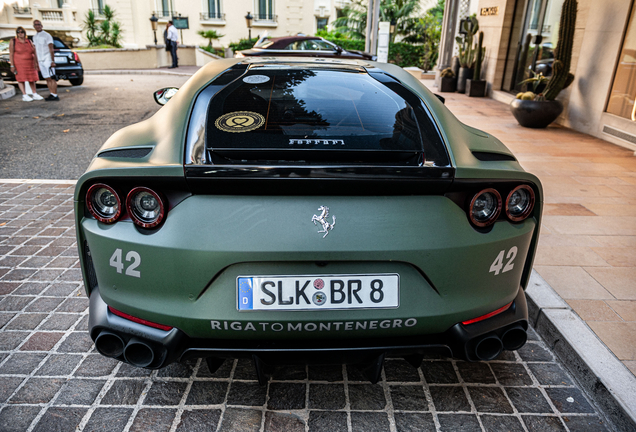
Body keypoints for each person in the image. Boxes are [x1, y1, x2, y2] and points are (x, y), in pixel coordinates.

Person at [8, 26, 43, 102]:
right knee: (21, 79)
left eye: (22, 32)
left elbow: (34, 52)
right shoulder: (13, 41)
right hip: (19, 63)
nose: (20, 33)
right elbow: (11, 54)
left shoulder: (29, 41)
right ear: (17, 33)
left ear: (24, 33)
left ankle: (34, 93)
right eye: (18, 32)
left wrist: (36, 63)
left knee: (32, 79)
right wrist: (12, 65)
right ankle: (24, 95)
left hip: (30, 63)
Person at [32, 20, 59, 101]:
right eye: (36, 25)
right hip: (40, 60)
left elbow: (51, 48)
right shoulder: (35, 37)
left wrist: (52, 61)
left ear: (41, 25)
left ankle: (55, 94)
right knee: (47, 78)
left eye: (39, 24)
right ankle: (51, 93)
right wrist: (36, 62)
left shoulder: (47, 35)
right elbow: (35, 50)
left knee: (51, 77)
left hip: (48, 59)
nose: (38, 26)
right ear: (34, 26)